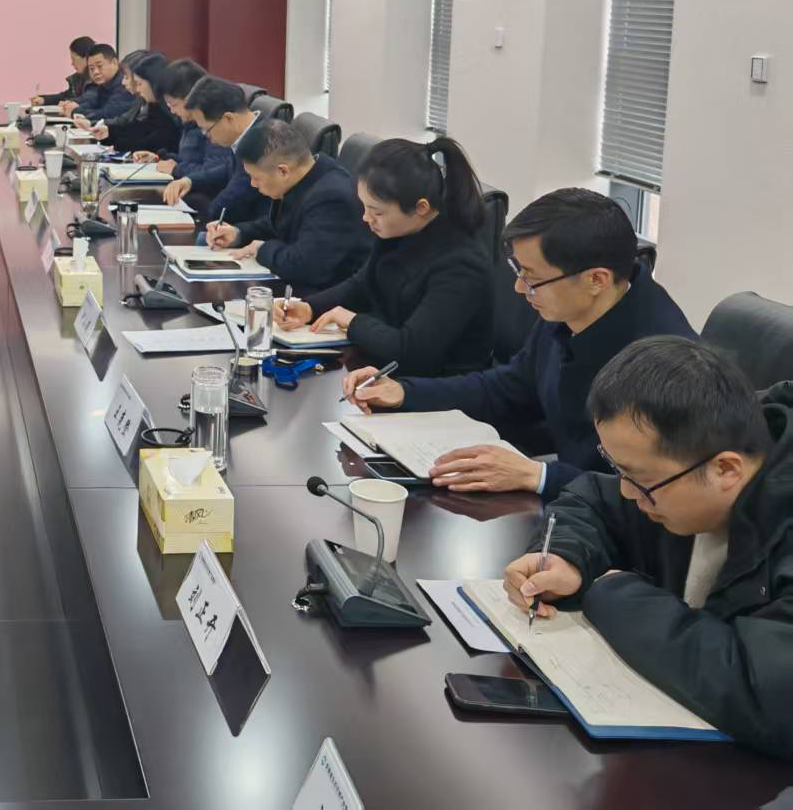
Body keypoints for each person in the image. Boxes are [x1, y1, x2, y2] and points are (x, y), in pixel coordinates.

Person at [502, 337, 793, 759]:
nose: (627, 491)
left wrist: (613, 594)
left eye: (638, 479)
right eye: (618, 468)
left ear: (725, 470)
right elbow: (593, 499)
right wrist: (568, 557)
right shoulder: (689, 459)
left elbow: (765, 695)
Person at [343, 187, 694, 496]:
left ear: (596, 280)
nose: (518, 288)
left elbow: (651, 494)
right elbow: (508, 388)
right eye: (518, 272)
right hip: (571, 503)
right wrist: (405, 392)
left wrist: (540, 476)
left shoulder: (665, 366)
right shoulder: (571, 311)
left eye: (532, 278)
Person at [274, 136, 494, 375]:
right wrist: (309, 307)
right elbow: (363, 283)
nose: (366, 218)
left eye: (376, 212)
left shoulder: (461, 265)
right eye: (364, 206)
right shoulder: (400, 230)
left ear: (421, 207)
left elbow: (411, 350)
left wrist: (352, 321)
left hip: (434, 384)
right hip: (383, 365)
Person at [206, 118, 371, 295]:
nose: (253, 184)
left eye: (256, 178)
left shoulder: (332, 197)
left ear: (283, 171)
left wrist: (262, 249)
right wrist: (238, 233)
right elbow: (279, 224)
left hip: (328, 298)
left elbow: (305, 266)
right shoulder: (307, 178)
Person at [171, 75, 265, 220]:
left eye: (207, 130)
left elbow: (233, 199)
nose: (207, 137)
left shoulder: (262, 143)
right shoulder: (249, 131)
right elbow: (227, 169)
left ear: (228, 119)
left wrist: (202, 216)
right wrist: (190, 180)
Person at [76, 52, 179, 155]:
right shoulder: (149, 103)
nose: (123, 82)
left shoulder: (168, 109)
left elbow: (151, 141)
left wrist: (113, 139)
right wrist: (108, 132)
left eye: (138, 83)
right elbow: (135, 127)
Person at [59, 42, 137, 122]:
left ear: (114, 62)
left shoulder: (125, 85)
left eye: (100, 66)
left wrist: (74, 111)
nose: (95, 72)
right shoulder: (104, 84)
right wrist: (74, 106)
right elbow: (93, 103)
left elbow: (107, 114)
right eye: (91, 68)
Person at [31, 36, 95, 106]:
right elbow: (66, 96)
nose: (72, 63)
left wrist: (71, 102)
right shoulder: (78, 79)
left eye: (73, 59)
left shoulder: (96, 79)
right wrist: (44, 100)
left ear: (86, 58)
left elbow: (88, 98)